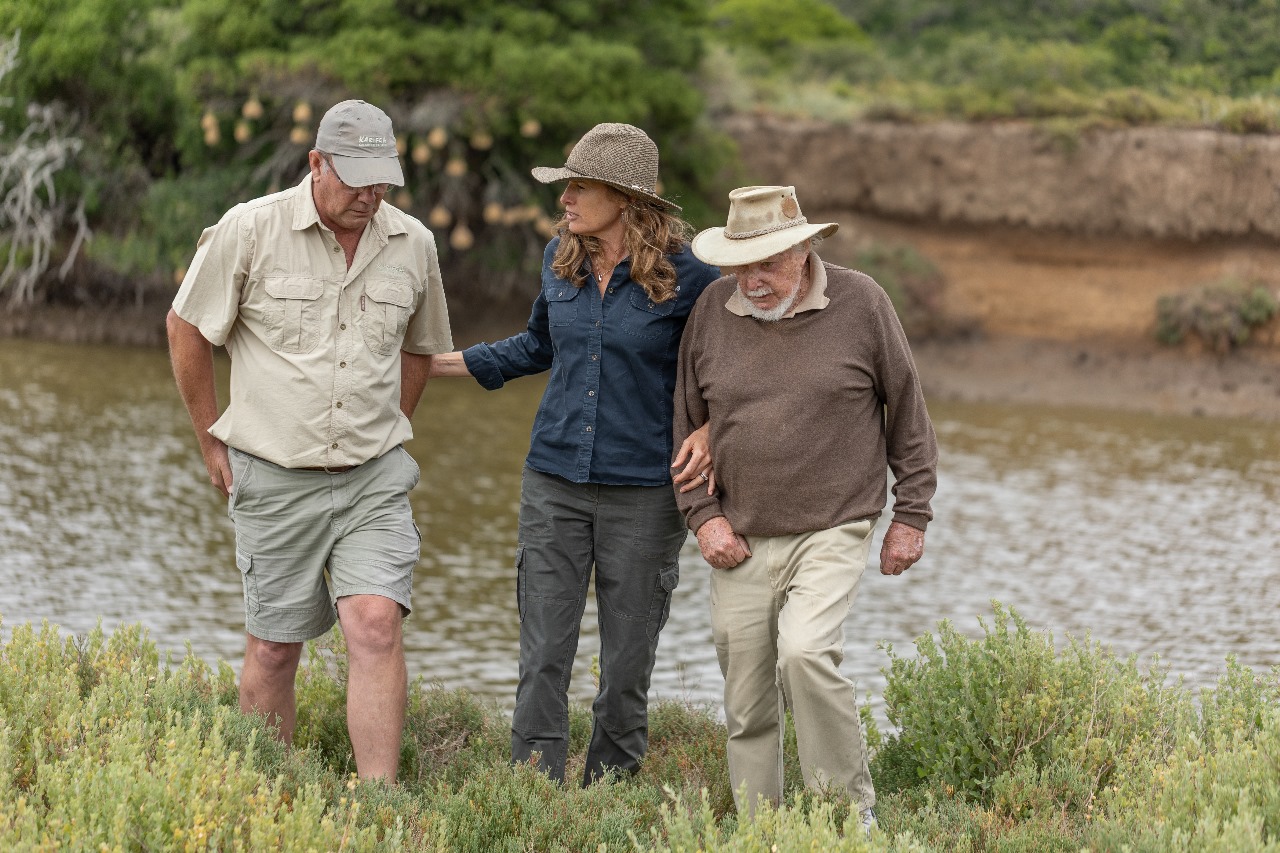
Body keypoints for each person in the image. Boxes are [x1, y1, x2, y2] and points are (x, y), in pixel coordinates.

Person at [166, 99, 453, 782]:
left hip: (374, 478)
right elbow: (185, 330)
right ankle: (271, 792)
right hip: (272, 474)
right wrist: (212, 441)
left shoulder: (414, 242)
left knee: (377, 622)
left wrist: (390, 426)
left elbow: (420, 349)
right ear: (315, 164)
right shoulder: (249, 229)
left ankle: (380, 804)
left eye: (382, 178)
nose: (370, 194)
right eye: (354, 177)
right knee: (273, 650)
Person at [429, 122, 720, 785]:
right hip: (553, 481)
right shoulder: (557, 258)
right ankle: (532, 789)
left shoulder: (693, 275)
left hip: (646, 494)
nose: (565, 200)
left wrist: (712, 428)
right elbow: (537, 345)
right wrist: (435, 365)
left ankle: (609, 795)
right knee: (543, 654)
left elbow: (725, 366)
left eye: (577, 187)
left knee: (626, 664)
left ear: (622, 196)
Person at [672, 185, 938, 827]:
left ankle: (847, 820)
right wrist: (703, 519)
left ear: (803, 249)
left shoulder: (862, 302)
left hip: (833, 525)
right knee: (747, 698)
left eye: (768, 262)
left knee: (806, 653)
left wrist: (912, 514)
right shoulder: (710, 309)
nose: (753, 280)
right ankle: (762, 829)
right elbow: (684, 423)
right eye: (742, 263)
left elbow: (907, 410)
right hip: (738, 534)